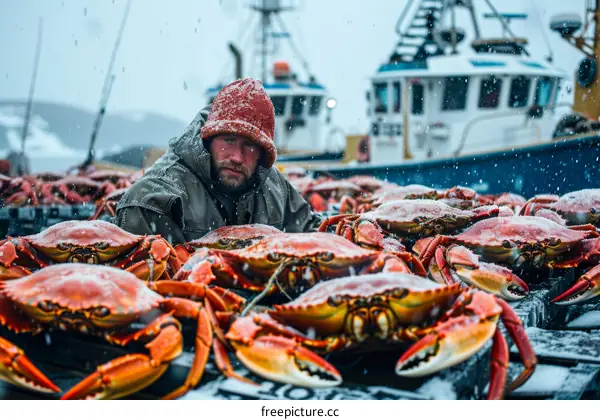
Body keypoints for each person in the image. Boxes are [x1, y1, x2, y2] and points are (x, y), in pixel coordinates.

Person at [116, 77, 322, 244]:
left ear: (263, 153)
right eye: (229, 140)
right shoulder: (151, 201)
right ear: (208, 138)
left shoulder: (276, 189)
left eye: (250, 146)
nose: (237, 157)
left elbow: (316, 236)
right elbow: (145, 286)